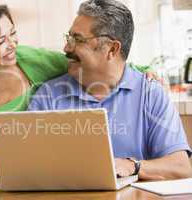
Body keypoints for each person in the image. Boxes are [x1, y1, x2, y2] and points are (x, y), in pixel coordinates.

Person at [0, 3, 154, 181]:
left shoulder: (33, 60)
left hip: (27, 186)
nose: (12, 45)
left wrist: (141, 70)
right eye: (1, 41)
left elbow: (93, 62)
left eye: (13, 34)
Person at [28, 0, 192, 181]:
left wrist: (132, 165)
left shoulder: (150, 94)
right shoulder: (48, 96)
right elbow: (25, 165)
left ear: (112, 49)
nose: (66, 47)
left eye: (77, 40)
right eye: (69, 38)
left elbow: (181, 168)